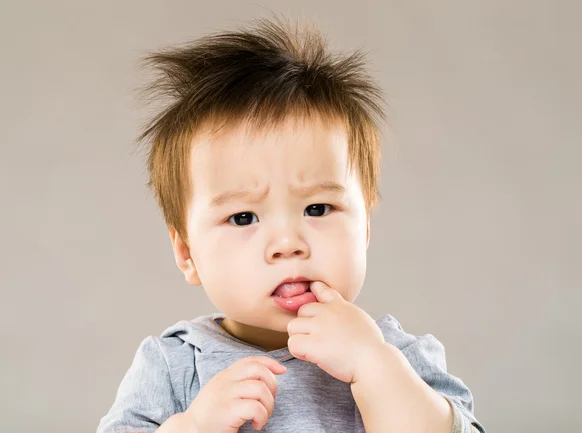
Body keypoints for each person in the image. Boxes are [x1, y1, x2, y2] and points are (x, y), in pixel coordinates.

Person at [97, 16, 485, 433]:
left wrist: (374, 366)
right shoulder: (174, 365)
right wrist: (192, 427)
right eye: (243, 217)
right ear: (187, 253)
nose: (287, 243)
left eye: (318, 209)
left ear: (365, 229)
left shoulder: (397, 354)